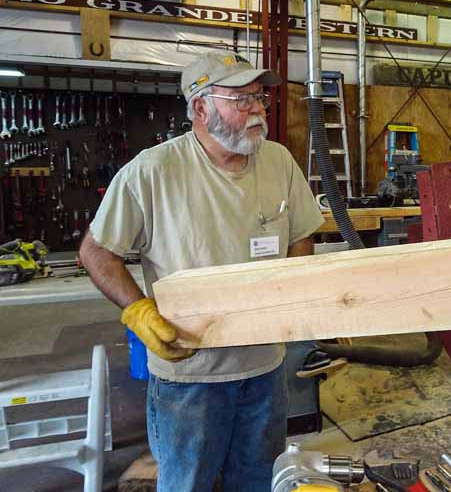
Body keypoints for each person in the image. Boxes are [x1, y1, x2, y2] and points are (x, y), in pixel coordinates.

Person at [79, 50, 324, 492]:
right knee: (188, 483)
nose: (257, 110)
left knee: (257, 480)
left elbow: (301, 235)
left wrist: (293, 293)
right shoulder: (152, 172)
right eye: (241, 99)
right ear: (200, 108)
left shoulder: (279, 162)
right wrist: (139, 311)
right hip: (191, 378)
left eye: (259, 98)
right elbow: (96, 251)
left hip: (266, 368)